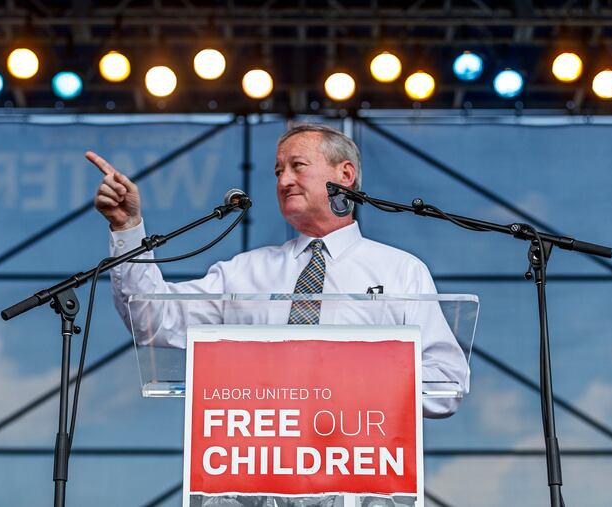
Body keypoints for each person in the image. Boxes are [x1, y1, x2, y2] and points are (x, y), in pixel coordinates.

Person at [87, 124, 469, 418]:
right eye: (277, 171)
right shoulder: (244, 274)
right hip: (257, 481)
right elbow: (151, 319)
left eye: (297, 166)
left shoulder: (402, 272)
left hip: (361, 481)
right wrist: (127, 228)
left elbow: (446, 383)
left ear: (345, 175)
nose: (283, 180)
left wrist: (355, 381)